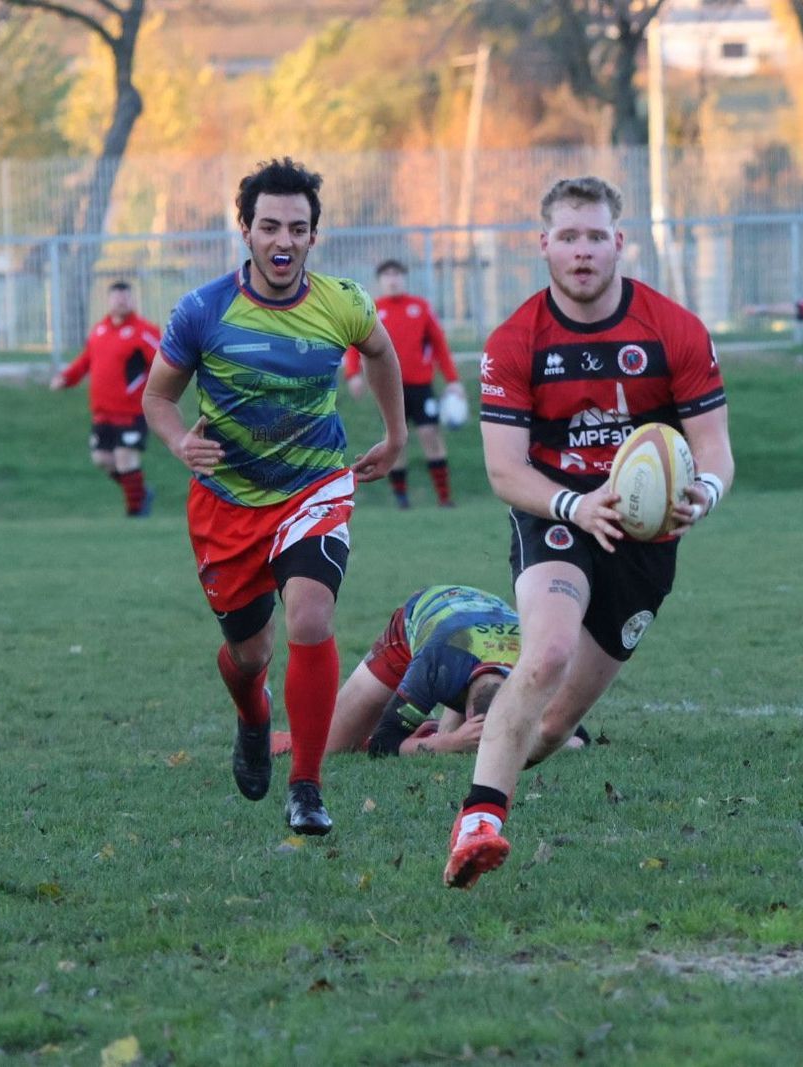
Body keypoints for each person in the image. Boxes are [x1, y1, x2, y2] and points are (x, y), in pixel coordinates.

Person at [443, 175, 734, 890]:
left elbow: (716, 449)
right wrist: (577, 505)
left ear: (619, 242)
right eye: (567, 236)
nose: (581, 251)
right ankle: (479, 821)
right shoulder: (516, 340)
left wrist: (705, 492)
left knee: (551, 727)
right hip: (559, 518)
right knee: (543, 654)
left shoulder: (673, 329)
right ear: (543, 244)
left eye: (595, 236)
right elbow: (505, 471)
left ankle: (474, 747)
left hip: (648, 541)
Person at [142, 157, 406, 837]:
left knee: (311, 618)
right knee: (250, 654)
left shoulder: (342, 302)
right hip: (227, 505)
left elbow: (380, 352)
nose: (282, 240)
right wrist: (178, 444)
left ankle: (307, 786)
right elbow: (158, 397)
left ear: (315, 236)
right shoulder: (203, 310)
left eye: (296, 227)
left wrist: (396, 434)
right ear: (245, 230)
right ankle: (254, 717)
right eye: (268, 226)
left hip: (315, 488)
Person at [264, 583, 591, 758]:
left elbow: (577, 736)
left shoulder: (535, 669)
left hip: (479, 615)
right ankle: (441, 730)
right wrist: (445, 745)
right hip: (418, 623)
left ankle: (439, 729)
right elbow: (383, 744)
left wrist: (534, 735)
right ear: (465, 704)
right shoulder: (437, 664)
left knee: (493, 740)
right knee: (332, 745)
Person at [345, 259, 463, 508]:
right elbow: (355, 345)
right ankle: (402, 499)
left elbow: (440, 345)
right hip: (388, 389)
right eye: (387, 274)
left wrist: (453, 380)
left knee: (430, 434)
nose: (392, 279)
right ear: (380, 280)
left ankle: (444, 496)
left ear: (404, 277)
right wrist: (353, 374)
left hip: (420, 386)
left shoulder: (420, 307)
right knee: (393, 440)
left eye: (397, 274)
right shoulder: (372, 309)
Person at [49, 280, 161, 517]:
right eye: (116, 297)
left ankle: (136, 514)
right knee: (102, 459)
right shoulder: (99, 330)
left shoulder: (144, 331)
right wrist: (66, 378)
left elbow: (163, 363)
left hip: (131, 412)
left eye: (125, 296)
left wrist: (156, 393)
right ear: (108, 300)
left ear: (132, 300)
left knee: (125, 459)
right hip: (103, 412)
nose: (121, 300)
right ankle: (140, 493)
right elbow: (85, 361)